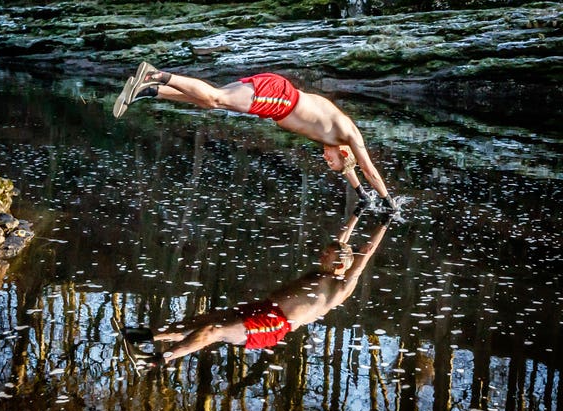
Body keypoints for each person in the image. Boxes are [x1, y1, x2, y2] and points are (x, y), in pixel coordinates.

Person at [112, 207, 391, 368]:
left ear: (340, 264)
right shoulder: (325, 269)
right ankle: (145, 336)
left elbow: (365, 253)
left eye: (327, 256)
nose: (321, 256)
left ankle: (157, 361)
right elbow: (343, 240)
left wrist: (385, 221)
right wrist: (358, 212)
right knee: (200, 321)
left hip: (274, 324)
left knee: (214, 331)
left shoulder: (341, 285)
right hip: (263, 309)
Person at [113, 62, 398, 211]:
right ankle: (156, 76)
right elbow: (369, 170)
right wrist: (388, 202)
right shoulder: (348, 134)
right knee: (215, 98)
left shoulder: (338, 142)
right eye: (330, 160)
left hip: (276, 97)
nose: (326, 158)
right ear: (345, 153)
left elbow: (351, 170)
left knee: (209, 101)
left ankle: (146, 91)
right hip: (280, 98)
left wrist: (361, 194)